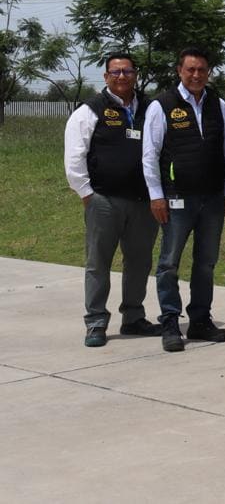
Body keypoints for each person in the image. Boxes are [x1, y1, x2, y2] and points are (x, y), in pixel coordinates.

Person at [63, 52, 160, 346]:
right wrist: (87, 194)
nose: (121, 76)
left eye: (127, 71)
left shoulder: (150, 108)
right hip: (103, 200)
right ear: (106, 76)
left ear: (136, 75)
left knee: (140, 262)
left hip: (144, 201)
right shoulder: (90, 110)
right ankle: (95, 322)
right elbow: (74, 158)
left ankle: (133, 317)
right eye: (115, 72)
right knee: (98, 263)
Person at [142, 46, 225, 353]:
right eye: (190, 69)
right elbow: (150, 154)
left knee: (206, 263)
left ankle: (200, 320)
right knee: (169, 263)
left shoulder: (219, 104)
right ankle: (170, 321)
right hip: (176, 200)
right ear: (179, 71)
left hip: (212, 199)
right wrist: (156, 196)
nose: (196, 75)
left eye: (201, 70)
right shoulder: (162, 105)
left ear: (209, 72)